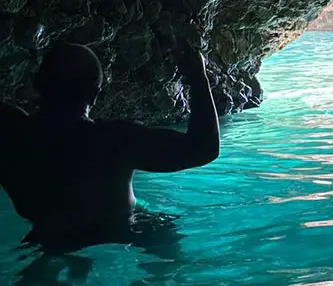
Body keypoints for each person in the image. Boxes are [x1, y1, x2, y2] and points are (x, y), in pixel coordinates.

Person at [0, 41, 219, 253]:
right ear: (96, 95)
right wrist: (197, 76)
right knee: (165, 228)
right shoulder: (114, 141)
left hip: (48, 238)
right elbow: (204, 148)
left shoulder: (11, 135)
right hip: (118, 234)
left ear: (35, 83)